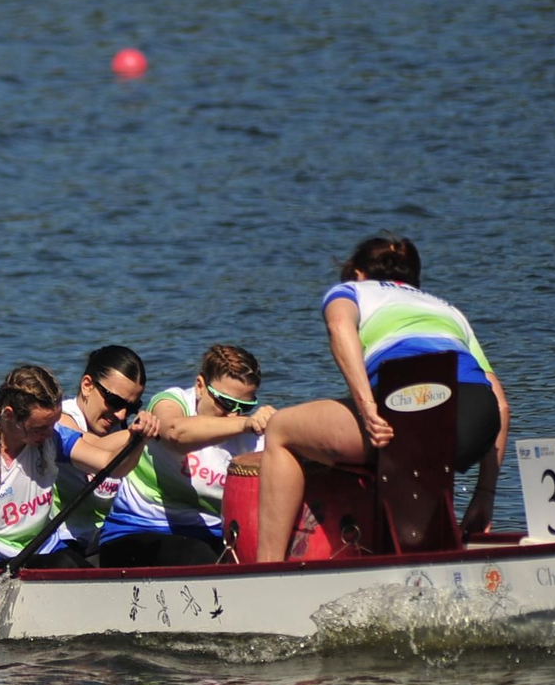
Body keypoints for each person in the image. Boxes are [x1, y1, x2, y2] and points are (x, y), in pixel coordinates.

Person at [254, 235, 509, 563]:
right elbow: (501, 405)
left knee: (280, 430)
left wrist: (368, 409)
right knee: (419, 446)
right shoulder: (448, 309)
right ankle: (417, 545)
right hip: (476, 421)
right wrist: (485, 494)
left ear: (358, 273)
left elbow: (339, 328)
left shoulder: (351, 291)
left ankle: (268, 570)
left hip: (406, 411)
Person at [0, 365, 161, 617]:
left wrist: (138, 440)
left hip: (42, 549)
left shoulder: (51, 434)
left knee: (83, 566)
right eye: (39, 429)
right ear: (9, 415)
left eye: (53, 424)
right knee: (71, 569)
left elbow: (111, 466)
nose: (50, 435)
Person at [95, 345, 276, 566]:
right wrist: (245, 423)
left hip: (212, 535)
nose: (233, 413)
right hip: (136, 529)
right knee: (198, 555)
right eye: (226, 403)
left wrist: (281, 427)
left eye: (245, 407)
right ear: (200, 386)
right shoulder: (172, 402)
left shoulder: (255, 437)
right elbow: (175, 434)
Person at [52, 346, 149, 556]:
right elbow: (93, 448)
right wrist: (144, 434)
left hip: (107, 537)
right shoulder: (59, 419)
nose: (122, 415)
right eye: (115, 402)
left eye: (131, 407)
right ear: (87, 385)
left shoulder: (120, 428)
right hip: (63, 542)